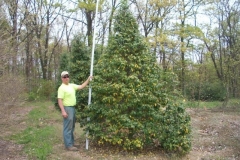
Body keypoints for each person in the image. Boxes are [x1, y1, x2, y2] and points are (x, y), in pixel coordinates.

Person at [58, 71, 93, 151]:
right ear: (62, 78)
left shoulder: (72, 85)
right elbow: (60, 100)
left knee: (72, 126)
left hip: (72, 108)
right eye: (64, 77)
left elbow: (81, 86)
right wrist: (63, 111)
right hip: (67, 108)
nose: (66, 78)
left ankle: (71, 143)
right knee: (68, 127)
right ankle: (68, 145)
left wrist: (88, 79)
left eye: (67, 76)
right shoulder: (61, 88)